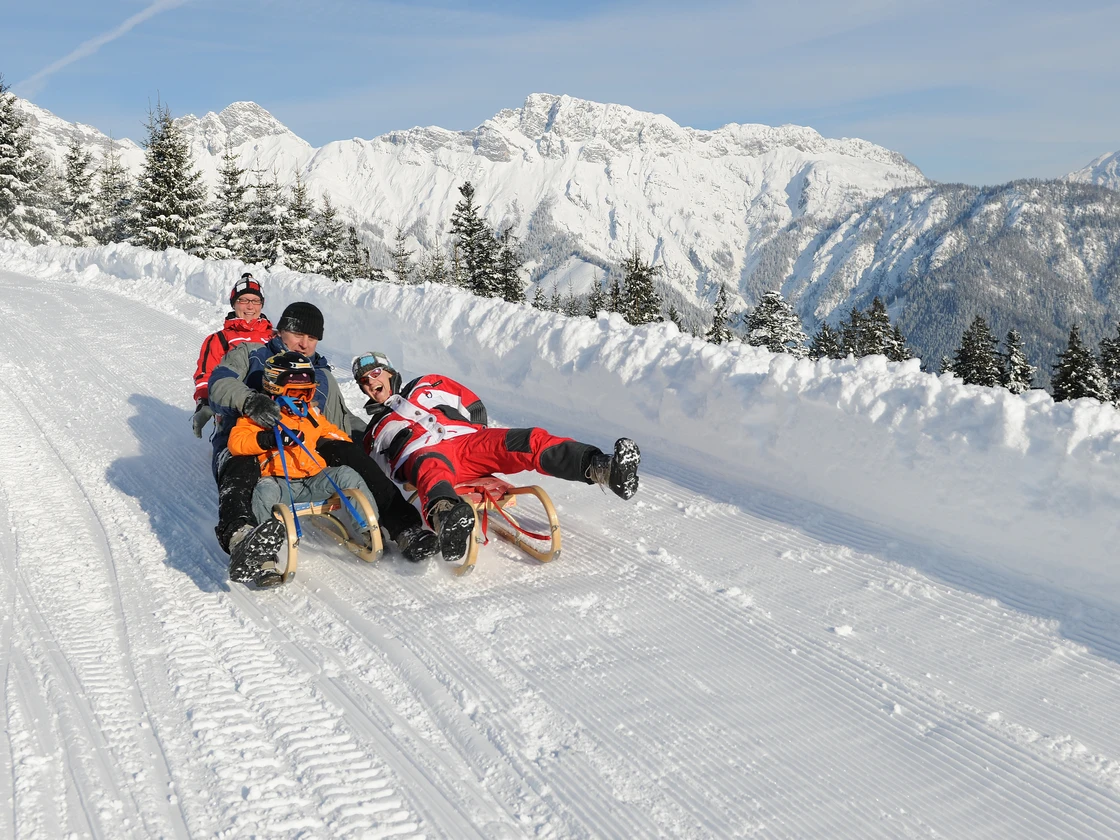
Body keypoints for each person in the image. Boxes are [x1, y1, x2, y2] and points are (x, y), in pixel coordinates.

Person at [209, 302, 438, 579]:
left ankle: (405, 528)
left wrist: (375, 437)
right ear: (281, 331)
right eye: (298, 335)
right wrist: (250, 400)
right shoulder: (251, 354)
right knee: (239, 465)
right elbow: (219, 383)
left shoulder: (320, 375)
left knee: (351, 454)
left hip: (305, 444)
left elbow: (339, 420)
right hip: (250, 437)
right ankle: (241, 535)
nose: (304, 344)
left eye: (312, 338)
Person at [352, 350, 641, 563]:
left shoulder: (428, 384)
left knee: (529, 439)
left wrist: (479, 434)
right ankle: (448, 520)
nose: (370, 383)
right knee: (431, 469)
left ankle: (602, 468)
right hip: (427, 456)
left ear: (389, 371)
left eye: (375, 373)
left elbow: (472, 403)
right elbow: (379, 477)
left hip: (468, 443)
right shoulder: (375, 431)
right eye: (363, 381)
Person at [226, 351, 373, 587]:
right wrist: (267, 440)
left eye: (308, 392)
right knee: (262, 493)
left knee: (347, 475)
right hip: (279, 481)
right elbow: (237, 443)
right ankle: (264, 560)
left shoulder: (311, 414)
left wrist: (342, 442)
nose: (302, 398)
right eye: (295, 392)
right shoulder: (258, 417)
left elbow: (330, 431)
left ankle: (367, 528)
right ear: (275, 388)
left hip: (313, 479)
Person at [191, 273, 274, 438]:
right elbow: (206, 374)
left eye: (255, 301)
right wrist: (204, 402)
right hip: (236, 408)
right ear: (234, 304)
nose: (250, 307)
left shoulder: (274, 337)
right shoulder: (219, 339)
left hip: (273, 404)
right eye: (243, 300)